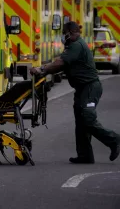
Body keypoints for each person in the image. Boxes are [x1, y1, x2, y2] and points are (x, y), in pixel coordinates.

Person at [30, 21, 120, 164]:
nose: (62, 37)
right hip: (81, 88)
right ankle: (85, 155)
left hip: (90, 87)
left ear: (71, 33)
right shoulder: (72, 46)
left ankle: (114, 140)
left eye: (64, 33)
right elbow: (61, 66)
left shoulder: (77, 45)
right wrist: (45, 70)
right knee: (80, 122)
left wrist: (42, 69)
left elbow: (60, 63)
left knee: (87, 118)